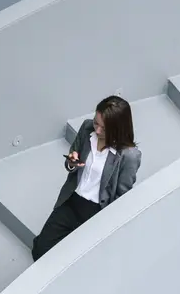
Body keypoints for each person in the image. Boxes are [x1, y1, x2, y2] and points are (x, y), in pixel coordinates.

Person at [30, 94, 141, 260]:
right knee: (40, 250)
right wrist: (72, 163)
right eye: (96, 123)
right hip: (72, 200)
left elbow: (122, 196)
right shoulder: (86, 128)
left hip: (96, 212)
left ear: (118, 128)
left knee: (75, 258)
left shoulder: (129, 156)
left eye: (104, 128)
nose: (97, 130)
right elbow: (71, 161)